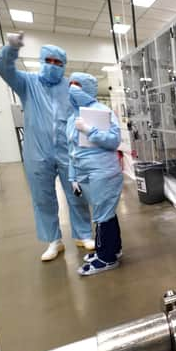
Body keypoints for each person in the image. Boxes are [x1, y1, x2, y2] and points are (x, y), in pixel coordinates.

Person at [0, 32, 94, 262]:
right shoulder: (27, 83)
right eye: (48, 61)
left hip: (67, 152)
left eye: (58, 63)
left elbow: (86, 107)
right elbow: (3, 69)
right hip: (37, 152)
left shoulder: (70, 87)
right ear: (41, 61)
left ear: (64, 65)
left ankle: (84, 235)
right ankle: (54, 241)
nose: (52, 66)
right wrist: (11, 49)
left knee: (77, 193)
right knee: (43, 197)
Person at [66, 72, 123, 276]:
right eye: (71, 84)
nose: (73, 88)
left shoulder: (102, 111)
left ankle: (105, 258)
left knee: (102, 216)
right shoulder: (72, 116)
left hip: (103, 172)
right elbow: (71, 150)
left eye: (78, 85)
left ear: (88, 88)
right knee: (106, 213)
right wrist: (73, 176)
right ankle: (113, 249)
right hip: (85, 173)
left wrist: (89, 130)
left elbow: (114, 140)